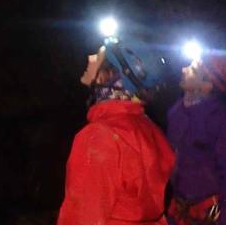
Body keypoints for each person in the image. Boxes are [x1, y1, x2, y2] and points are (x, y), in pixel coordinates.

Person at [58, 32, 175, 225]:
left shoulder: (99, 137)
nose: (91, 58)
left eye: (99, 56)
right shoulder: (149, 129)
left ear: (111, 75)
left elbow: (81, 218)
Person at [167, 53, 226, 225]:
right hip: (179, 208)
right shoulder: (176, 111)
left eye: (192, 69)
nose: (183, 70)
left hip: (207, 216)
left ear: (207, 85)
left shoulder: (224, 123)